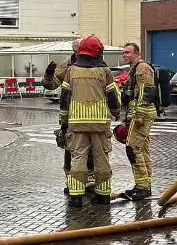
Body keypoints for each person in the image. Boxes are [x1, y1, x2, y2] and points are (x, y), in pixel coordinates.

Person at [59, 35, 121, 205]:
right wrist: (116, 112)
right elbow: (112, 96)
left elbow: (64, 97)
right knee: (101, 158)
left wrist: (64, 119)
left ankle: (76, 197)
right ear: (98, 52)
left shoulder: (71, 70)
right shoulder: (104, 71)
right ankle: (102, 195)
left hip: (77, 123)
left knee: (78, 158)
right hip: (100, 124)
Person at [43, 40, 95, 196]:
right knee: (69, 149)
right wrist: (49, 74)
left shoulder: (95, 63)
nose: (82, 53)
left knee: (91, 150)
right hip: (71, 113)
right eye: (79, 50)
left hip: (91, 113)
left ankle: (90, 182)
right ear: (75, 51)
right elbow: (51, 85)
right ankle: (71, 182)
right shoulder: (66, 65)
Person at [119, 42, 158, 201]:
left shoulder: (142, 68)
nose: (125, 55)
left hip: (142, 114)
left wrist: (139, 115)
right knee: (142, 150)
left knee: (133, 149)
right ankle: (144, 185)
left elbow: (146, 91)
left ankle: (142, 186)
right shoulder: (134, 68)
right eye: (124, 52)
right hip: (137, 113)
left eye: (128, 52)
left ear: (137, 53)